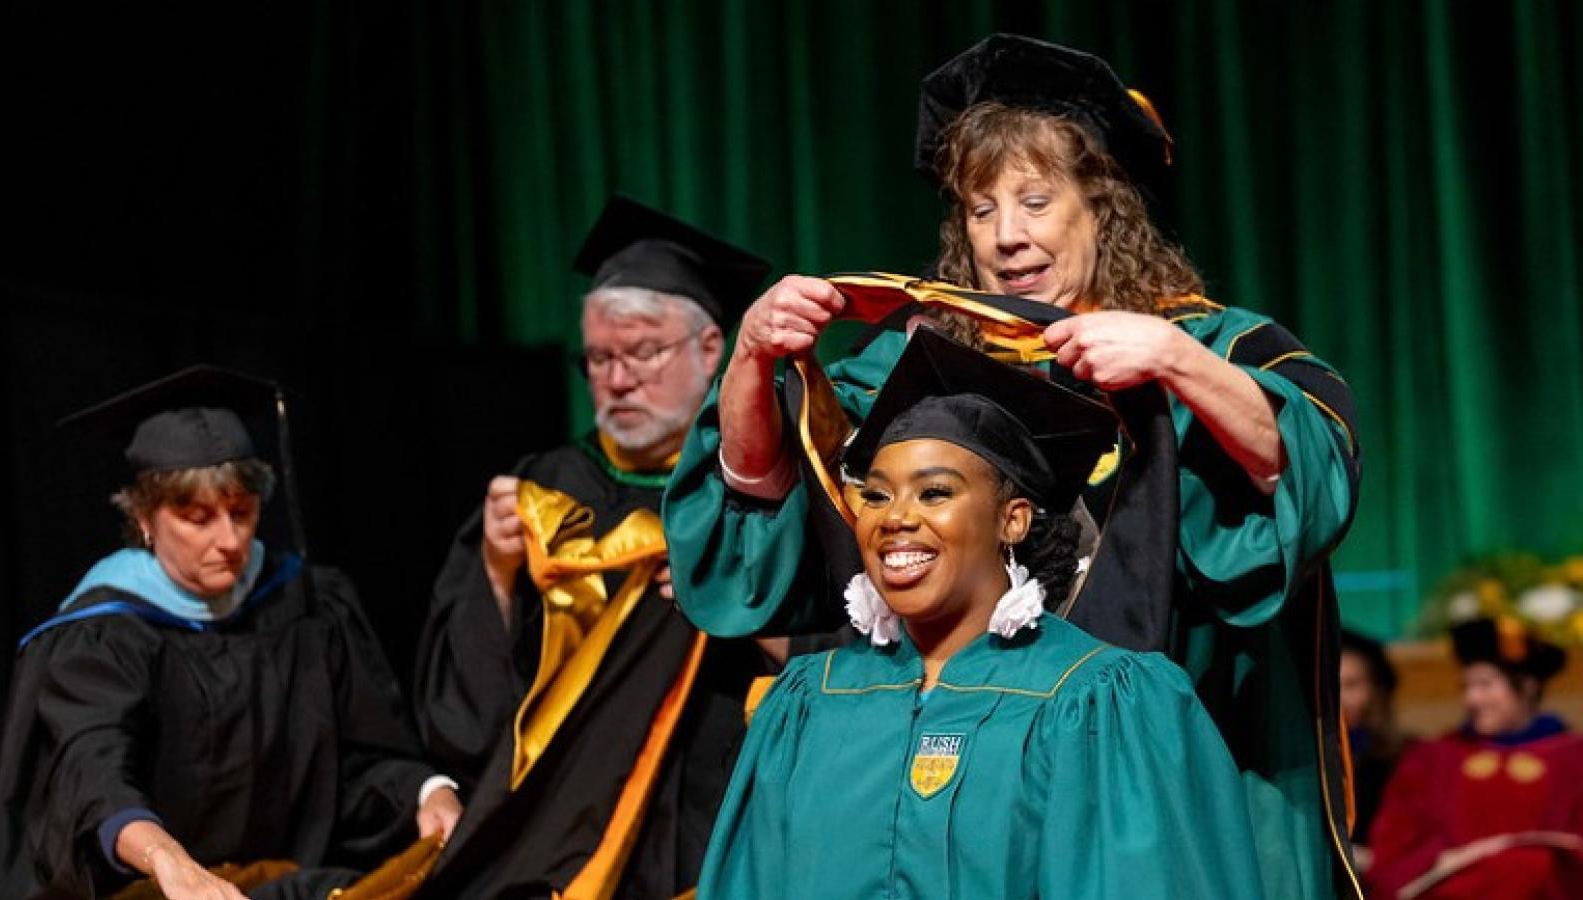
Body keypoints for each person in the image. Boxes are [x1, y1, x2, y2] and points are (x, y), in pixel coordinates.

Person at [665, 34, 1363, 899]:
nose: (1006, 238)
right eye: (980, 209)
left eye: (1035, 201)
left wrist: (1176, 362)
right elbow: (768, 505)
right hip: (964, 795)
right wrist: (751, 361)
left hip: (1177, 766)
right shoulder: (921, 362)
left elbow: (1308, 476)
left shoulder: (1218, 345)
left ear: (1102, 208)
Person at [700, 327, 1263, 899]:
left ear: (1012, 520)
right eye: (875, 495)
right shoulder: (810, 702)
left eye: (934, 493)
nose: (895, 518)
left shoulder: (1097, 701)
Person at [413, 196, 778, 899]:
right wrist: (495, 572)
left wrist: (743, 596)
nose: (616, 379)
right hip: (563, 834)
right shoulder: (547, 488)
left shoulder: (762, 485)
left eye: (641, 351)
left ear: (710, 350)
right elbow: (470, 721)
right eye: (599, 357)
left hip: (717, 811)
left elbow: (842, 644)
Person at [0, 366, 459, 900]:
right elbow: (92, 778)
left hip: (285, 883)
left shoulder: (306, 606)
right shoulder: (103, 634)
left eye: (241, 511)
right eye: (197, 517)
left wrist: (427, 792)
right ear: (145, 516)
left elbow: (363, 760)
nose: (229, 540)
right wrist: (167, 860)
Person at [1367, 618, 1583, 899]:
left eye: (1485, 684)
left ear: (1528, 686)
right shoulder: (1433, 759)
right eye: (1466, 686)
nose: (1472, 698)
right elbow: (1395, 845)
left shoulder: (1573, 758)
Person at [1341, 627, 1411, 867]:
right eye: (1332, 686)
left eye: (1352, 685)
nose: (1340, 698)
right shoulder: (1307, 763)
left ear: (1375, 690)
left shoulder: (1404, 759)